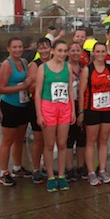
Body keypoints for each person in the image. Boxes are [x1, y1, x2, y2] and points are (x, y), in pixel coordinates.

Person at [34, 40, 75, 192]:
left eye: (65, 51)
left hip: (64, 107)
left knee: (63, 143)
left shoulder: (68, 67)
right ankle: (51, 176)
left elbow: (71, 89)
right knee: (50, 144)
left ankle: (62, 175)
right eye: (60, 51)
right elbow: (37, 93)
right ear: (53, 51)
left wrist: (73, 111)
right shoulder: (42, 68)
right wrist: (39, 114)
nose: (63, 54)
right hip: (48, 107)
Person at [0, 38, 33, 187]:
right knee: (7, 141)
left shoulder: (24, 62)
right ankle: (3, 172)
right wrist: (22, 86)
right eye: (14, 47)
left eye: (20, 47)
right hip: (10, 105)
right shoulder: (6, 64)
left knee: (19, 140)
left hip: (23, 105)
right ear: (8, 48)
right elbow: (0, 88)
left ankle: (17, 167)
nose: (18, 49)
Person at [78, 43, 110, 186]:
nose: (100, 54)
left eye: (103, 51)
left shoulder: (109, 68)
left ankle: (103, 170)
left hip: (107, 110)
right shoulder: (88, 69)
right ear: (93, 53)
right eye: (97, 51)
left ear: (106, 52)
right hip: (92, 110)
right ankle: (91, 172)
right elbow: (81, 92)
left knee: (104, 140)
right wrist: (81, 112)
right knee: (91, 141)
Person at [26, 37, 52, 184]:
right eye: (41, 48)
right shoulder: (34, 65)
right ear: (37, 50)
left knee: (49, 140)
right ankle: (36, 168)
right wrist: (44, 83)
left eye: (46, 47)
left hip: (53, 104)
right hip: (38, 104)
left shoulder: (56, 62)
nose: (44, 51)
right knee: (38, 139)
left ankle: (45, 167)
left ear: (50, 48)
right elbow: (30, 87)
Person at [65, 42, 86, 182]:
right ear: (68, 52)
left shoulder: (84, 68)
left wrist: (82, 111)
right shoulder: (64, 68)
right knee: (68, 139)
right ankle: (69, 168)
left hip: (82, 104)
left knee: (81, 137)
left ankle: (80, 166)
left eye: (78, 50)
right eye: (72, 50)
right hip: (67, 106)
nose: (75, 53)